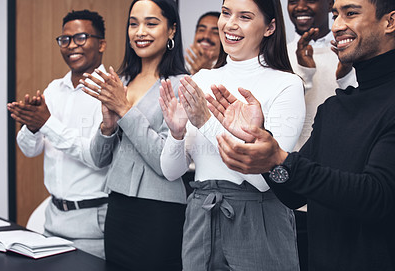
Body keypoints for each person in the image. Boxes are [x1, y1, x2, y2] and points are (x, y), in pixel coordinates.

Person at [208, 0, 395, 269]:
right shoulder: (334, 109)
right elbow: (294, 195)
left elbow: (377, 197)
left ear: (389, 22)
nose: (337, 26)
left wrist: (281, 160)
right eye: (335, 15)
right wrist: (259, 140)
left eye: (351, 13)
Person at [159, 0, 305, 270]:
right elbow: (171, 171)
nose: (230, 24)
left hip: (258, 217)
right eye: (226, 13)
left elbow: (264, 182)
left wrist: (206, 122)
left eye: (245, 16)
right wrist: (176, 133)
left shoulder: (286, 84)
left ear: (270, 27)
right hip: (201, 214)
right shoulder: (201, 78)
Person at [79, 0, 188, 270]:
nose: (140, 32)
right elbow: (99, 159)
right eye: (133, 23)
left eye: (151, 23)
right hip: (117, 207)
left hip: (158, 211)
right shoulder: (121, 81)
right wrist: (107, 126)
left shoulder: (183, 85)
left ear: (171, 30)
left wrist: (125, 110)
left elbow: (167, 163)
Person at [7, 10, 108, 259]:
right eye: (65, 39)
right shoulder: (54, 90)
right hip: (52, 221)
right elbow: (31, 150)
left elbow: (97, 157)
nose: (71, 45)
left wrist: (47, 123)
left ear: (102, 44)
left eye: (81, 38)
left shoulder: (110, 91)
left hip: (92, 225)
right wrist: (32, 127)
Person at [287, 0, 358, 150]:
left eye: (310, 0)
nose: (300, 7)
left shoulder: (353, 52)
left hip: (342, 155)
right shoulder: (279, 55)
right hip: (294, 159)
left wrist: (346, 76)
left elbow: (363, 108)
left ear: (330, 4)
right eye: (293, 1)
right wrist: (304, 73)